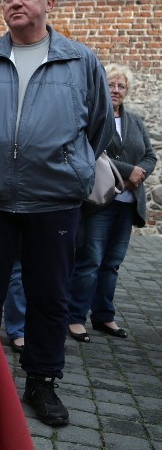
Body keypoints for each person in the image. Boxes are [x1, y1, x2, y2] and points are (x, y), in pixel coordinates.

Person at [0, 0, 114, 427]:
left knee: (50, 295)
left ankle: (42, 382)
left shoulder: (80, 60)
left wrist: (72, 165)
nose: (16, 2)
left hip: (55, 200)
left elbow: (98, 127)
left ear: (49, 3)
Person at [68, 63, 157, 342]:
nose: (116, 90)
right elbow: (91, 153)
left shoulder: (136, 122)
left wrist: (141, 171)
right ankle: (75, 317)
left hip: (128, 203)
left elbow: (151, 155)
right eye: (111, 84)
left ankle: (104, 315)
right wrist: (128, 171)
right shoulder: (92, 118)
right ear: (102, 87)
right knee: (90, 261)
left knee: (112, 263)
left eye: (121, 86)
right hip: (101, 202)